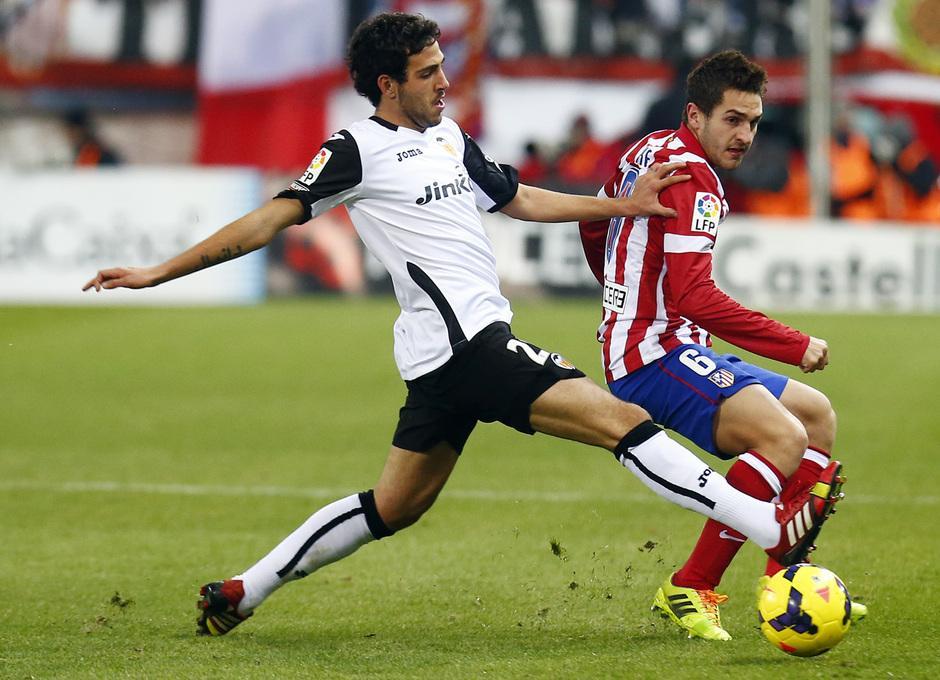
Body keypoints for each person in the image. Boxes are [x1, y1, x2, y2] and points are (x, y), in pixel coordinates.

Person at [83, 15, 841, 638]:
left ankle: (244, 590)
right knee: (625, 423)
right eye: (428, 72)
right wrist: (159, 272)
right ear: (388, 84)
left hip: (439, 360)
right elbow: (268, 220)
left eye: (442, 66)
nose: (445, 81)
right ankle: (768, 528)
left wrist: (623, 204)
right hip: (470, 345)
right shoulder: (355, 150)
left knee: (394, 507)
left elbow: (519, 198)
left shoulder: (449, 138)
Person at [578, 49, 864, 642]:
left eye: (753, 122)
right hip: (652, 355)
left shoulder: (647, 149)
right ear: (696, 114)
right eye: (732, 119)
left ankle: (786, 583)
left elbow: (594, 220)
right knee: (782, 437)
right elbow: (695, 297)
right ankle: (691, 586)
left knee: (815, 417)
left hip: (667, 343)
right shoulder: (697, 179)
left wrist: (620, 289)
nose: (744, 135)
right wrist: (795, 343)